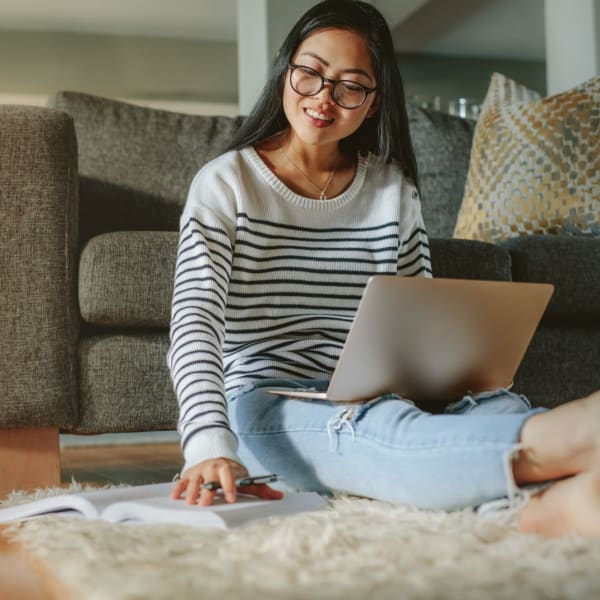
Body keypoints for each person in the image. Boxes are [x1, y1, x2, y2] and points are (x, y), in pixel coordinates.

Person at [168, 0, 600, 538]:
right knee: (381, 429)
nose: (324, 98)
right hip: (269, 401)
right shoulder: (225, 182)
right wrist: (207, 446)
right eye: (311, 74)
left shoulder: (392, 188)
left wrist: (444, 385)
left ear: (373, 103)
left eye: (351, 85)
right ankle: (577, 438)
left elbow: (416, 315)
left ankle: (544, 510)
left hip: (375, 390)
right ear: (287, 70)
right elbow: (194, 324)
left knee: (491, 405)